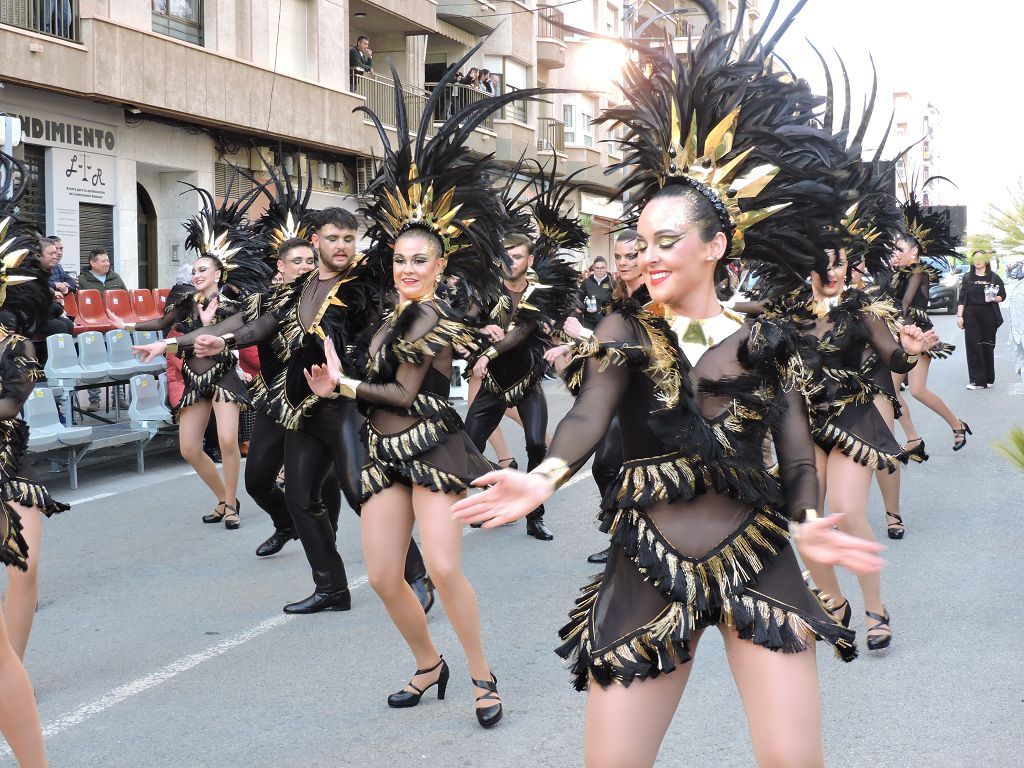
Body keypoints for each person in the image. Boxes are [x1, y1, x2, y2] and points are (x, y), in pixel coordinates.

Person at [453, 13, 886, 765]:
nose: (646, 256)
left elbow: (798, 457)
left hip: (757, 554)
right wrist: (543, 478)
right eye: (639, 242)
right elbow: (588, 415)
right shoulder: (625, 331)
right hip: (648, 557)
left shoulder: (765, 341)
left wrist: (810, 520)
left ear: (716, 246)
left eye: (666, 241)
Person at [303, 54, 516, 726]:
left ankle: (483, 676)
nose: (407, 268)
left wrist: (344, 384)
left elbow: (398, 392)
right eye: (399, 258)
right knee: (386, 578)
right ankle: (430, 664)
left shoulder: (433, 316)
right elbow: (363, 387)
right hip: (381, 452)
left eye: (420, 259)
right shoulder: (386, 313)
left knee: (446, 571)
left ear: (441, 264)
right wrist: (333, 379)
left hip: (429, 449)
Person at [174, 206, 431, 614]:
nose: (342, 246)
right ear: (317, 241)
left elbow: (386, 311)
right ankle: (331, 589)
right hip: (301, 405)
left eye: (349, 238)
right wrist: (225, 343)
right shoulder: (302, 285)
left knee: (363, 494)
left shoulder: (364, 281)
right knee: (298, 496)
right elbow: (266, 322)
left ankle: (417, 575)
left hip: (346, 404)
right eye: (333, 238)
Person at [117, 184, 271, 531]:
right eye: (194, 270)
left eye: (203, 270)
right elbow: (160, 322)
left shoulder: (235, 306)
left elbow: (211, 336)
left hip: (225, 377)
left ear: (218, 274)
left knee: (229, 441)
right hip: (194, 377)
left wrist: (164, 346)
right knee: (189, 448)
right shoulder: (185, 303)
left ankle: (231, 505)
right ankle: (223, 498)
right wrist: (125, 323)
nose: (196, 274)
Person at [0, 153, 62, 764]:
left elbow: (14, 400)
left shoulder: (11, 340)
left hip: (8, 471)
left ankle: (14, 669)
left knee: (25, 568)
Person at [463, 230, 577, 541]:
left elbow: (520, 334)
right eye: (505, 255)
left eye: (516, 256)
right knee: (468, 445)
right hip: (493, 385)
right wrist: (480, 330)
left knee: (537, 445)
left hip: (527, 384)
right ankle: (499, 494)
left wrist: (487, 353)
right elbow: (464, 323)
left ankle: (534, 516)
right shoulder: (486, 291)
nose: (509, 262)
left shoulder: (538, 293)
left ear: (529, 260)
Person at [889, 209, 970, 452]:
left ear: (914, 252)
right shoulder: (899, 273)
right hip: (904, 335)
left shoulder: (918, 272)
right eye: (894, 250)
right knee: (900, 391)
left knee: (914, 391)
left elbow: (904, 306)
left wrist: (895, 329)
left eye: (900, 250)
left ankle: (953, 426)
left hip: (919, 336)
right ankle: (918, 437)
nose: (895, 253)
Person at [82, 248, 129, 411]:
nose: (107, 264)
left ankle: (119, 398)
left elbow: (126, 299)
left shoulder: (116, 278)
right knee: (94, 362)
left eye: (108, 260)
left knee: (119, 360)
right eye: (103, 261)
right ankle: (94, 400)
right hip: (92, 327)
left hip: (115, 325)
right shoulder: (82, 280)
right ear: (92, 263)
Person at [958, 250, 1005, 389]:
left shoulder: (994, 278)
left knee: (987, 345)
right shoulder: (967, 278)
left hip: (989, 315)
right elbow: (961, 299)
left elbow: (1003, 295)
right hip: (971, 314)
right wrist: (960, 316)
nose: (978, 261)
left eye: (981, 258)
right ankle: (978, 381)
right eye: (975, 258)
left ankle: (989, 378)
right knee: (973, 346)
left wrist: (995, 298)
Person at [578, 256, 615, 330]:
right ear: (593, 268)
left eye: (602, 268)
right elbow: (579, 300)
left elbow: (617, 302)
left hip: (606, 321)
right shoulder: (586, 282)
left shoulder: (612, 283)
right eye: (597, 268)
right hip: (589, 322)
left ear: (606, 268)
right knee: (589, 341)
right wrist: (585, 308)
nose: (599, 270)